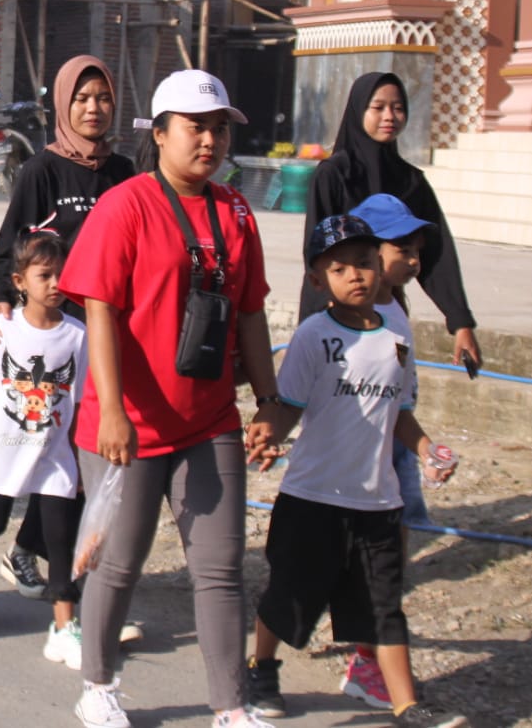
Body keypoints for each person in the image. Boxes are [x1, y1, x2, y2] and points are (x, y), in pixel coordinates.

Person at [59, 69, 282, 728]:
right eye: (195, 127)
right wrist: (116, 409)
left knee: (219, 568)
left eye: (218, 129)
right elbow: (98, 309)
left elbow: (249, 314)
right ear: (158, 134)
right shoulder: (124, 205)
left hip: (208, 418)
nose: (208, 141)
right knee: (118, 563)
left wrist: (267, 399)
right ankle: (97, 685)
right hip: (125, 424)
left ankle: (229, 705)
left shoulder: (235, 210)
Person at [245, 215, 464, 728]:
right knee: (290, 596)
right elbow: (289, 404)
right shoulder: (312, 336)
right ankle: (263, 667)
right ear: (319, 280)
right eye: (340, 268)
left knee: (385, 607)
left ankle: (408, 705)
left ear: (381, 268)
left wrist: (429, 449)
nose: (356, 276)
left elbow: (400, 413)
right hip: (313, 498)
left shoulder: (398, 334)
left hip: (378, 503)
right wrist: (266, 432)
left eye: (364, 263)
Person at [0, 54, 137, 598]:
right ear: (63, 105)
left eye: (102, 98)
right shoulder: (41, 171)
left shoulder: (123, 173)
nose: (93, 109)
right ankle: (60, 576)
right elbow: (8, 252)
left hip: (111, 337)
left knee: (82, 455)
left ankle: (37, 553)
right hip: (60, 338)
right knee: (57, 451)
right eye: (82, 98)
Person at [0, 229, 87, 667]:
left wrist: (83, 459)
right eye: (46, 275)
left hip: (56, 454)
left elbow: (82, 401)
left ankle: (64, 628)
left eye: (63, 274)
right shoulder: (3, 329)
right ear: (20, 281)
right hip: (6, 448)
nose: (57, 283)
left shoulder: (79, 335)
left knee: (61, 542)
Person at [299, 73, 481, 371]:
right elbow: (316, 251)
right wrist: (333, 306)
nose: (389, 116)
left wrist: (460, 321)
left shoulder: (411, 181)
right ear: (359, 111)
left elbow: (438, 253)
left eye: (398, 108)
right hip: (331, 308)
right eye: (379, 107)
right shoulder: (334, 174)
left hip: (385, 306)